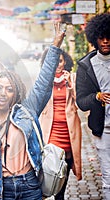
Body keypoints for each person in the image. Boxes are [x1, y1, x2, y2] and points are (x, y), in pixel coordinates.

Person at [0, 22, 66, 199]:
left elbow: (43, 82)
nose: (3, 93)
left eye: (9, 89)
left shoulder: (27, 112)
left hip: (29, 185)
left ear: (16, 93)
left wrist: (55, 46)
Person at [39, 49, 82, 199]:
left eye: (61, 61)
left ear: (66, 62)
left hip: (69, 134)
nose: (58, 65)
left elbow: (80, 103)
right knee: (49, 172)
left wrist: (70, 84)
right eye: (54, 61)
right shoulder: (44, 80)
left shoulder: (73, 78)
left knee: (63, 174)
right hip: (51, 133)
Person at [76, 13, 110, 199]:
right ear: (94, 38)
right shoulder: (86, 66)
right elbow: (81, 102)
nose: (105, 41)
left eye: (109, 37)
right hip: (103, 130)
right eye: (101, 37)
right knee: (108, 179)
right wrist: (97, 97)